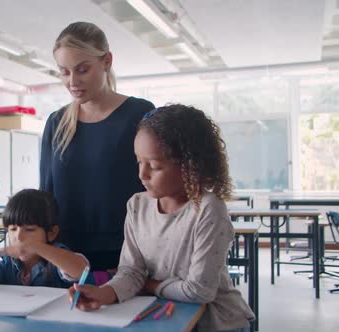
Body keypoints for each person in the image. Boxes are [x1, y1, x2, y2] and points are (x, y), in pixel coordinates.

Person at [69, 104, 255, 332]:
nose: (142, 174)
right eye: (139, 161)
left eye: (155, 166)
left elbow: (199, 291)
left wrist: (149, 284)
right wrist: (104, 293)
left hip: (217, 323)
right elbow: (130, 271)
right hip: (164, 315)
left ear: (190, 166)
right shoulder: (137, 205)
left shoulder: (208, 209)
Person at [41, 22, 155, 277]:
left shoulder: (139, 113)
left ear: (106, 61)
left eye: (82, 70)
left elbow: (157, 186)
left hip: (128, 256)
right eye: (64, 72)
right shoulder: (56, 123)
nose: (73, 81)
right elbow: (46, 193)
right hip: (67, 259)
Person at [0, 189, 90, 290]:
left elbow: (79, 269)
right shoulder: (7, 264)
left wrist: (37, 246)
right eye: (12, 229)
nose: (18, 236)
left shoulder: (57, 258)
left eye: (30, 230)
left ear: (51, 233)